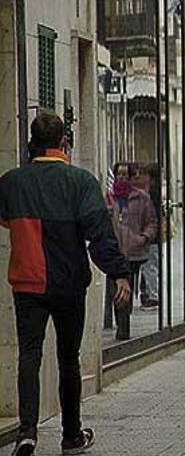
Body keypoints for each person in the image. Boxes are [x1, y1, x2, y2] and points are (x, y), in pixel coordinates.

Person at [0, 111, 131, 456]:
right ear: (63, 142)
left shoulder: (11, 182)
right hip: (68, 284)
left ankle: (26, 433)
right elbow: (99, 236)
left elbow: (4, 220)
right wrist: (119, 272)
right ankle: (70, 435)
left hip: (27, 283)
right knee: (68, 358)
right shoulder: (80, 182)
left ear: (32, 143)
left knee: (29, 356)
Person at [104, 162, 158, 341]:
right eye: (119, 174)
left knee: (127, 289)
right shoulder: (109, 197)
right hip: (114, 250)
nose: (122, 178)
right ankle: (119, 325)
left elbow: (152, 222)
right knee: (115, 288)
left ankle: (123, 328)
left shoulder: (141, 198)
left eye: (125, 175)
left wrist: (143, 238)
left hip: (133, 251)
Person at [131, 162, 160, 310]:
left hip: (152, 238)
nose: (138, 177)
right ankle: (147, 294)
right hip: (149, 237)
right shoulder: (147, 191)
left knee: (150, 266)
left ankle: (153, 296)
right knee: (148, 266)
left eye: (142, 174)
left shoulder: (151, 193)